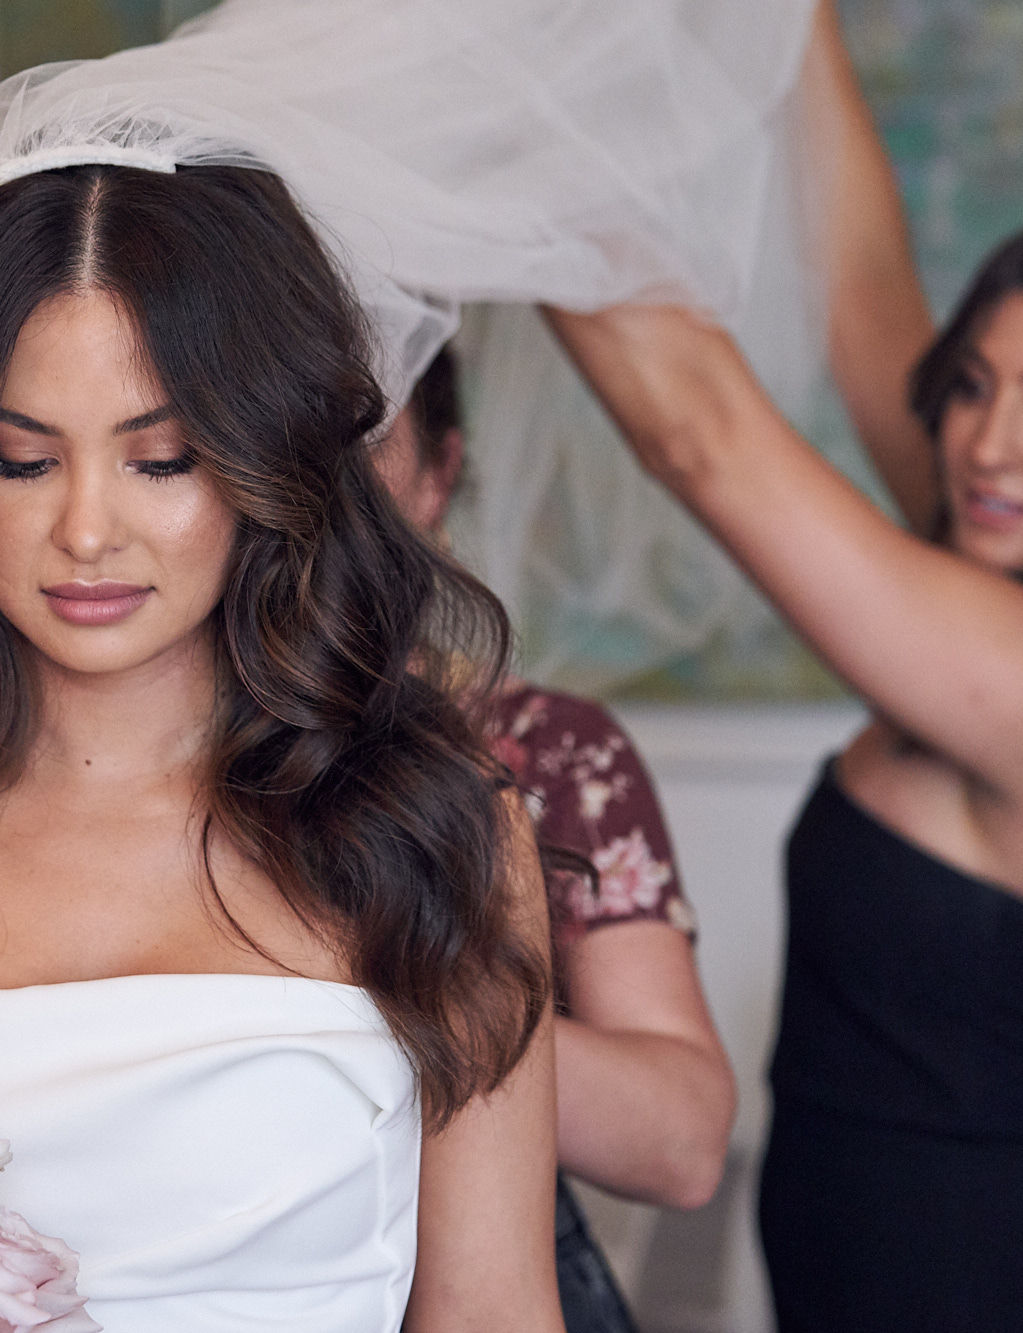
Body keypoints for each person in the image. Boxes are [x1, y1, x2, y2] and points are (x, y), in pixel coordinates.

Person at [0, 158, 565, 1332]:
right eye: (20, 459)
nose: (84, 529)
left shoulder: (433, 828)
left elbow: (490, 1316)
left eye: (160, 459)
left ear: (266, 462)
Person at [545, 8, 1023, 1327]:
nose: (987, 446)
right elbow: (865, 278)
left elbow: (701, 438)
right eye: (973, 385)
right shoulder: (1000, 566)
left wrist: (509, 134)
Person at [374, 349, 736, 1333]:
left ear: (439, 473)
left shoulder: (541, 754)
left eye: (358, 436)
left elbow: (683, 1143)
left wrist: (385, 986)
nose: (309, 484)